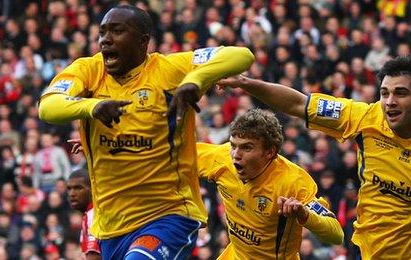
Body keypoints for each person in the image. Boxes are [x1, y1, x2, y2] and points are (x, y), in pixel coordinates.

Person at [217, 55, 411, 259]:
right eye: (384, 93)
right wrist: (245, 83)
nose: (390, 102)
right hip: (363, 250)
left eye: (400, 93)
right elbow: (300, 103)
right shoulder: (365, 118)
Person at [38, 4, 254, 259]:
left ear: (143, 42)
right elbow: (48, 106)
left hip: (168, 215)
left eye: (117, 31)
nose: (106, 40)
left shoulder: (168, 70)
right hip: (112, 225)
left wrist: (194, 81)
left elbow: (241, 55)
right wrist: (93, 107)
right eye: (103, 32)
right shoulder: (88, 70)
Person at [196, 109, 343, 259]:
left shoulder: (293, 181)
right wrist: (193, 205)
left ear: (270, 152)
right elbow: (178, 162)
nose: (235, 155)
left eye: (247, 147)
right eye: (233, 146)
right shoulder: (222, 158)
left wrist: (304, 215)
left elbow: (336, 235)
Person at [66, 169, 100, 260]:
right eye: (69, 189)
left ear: (92, 189)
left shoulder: (95, 215)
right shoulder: (87, 215)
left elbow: (94, 257)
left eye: (78, 188)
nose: (72, 194)